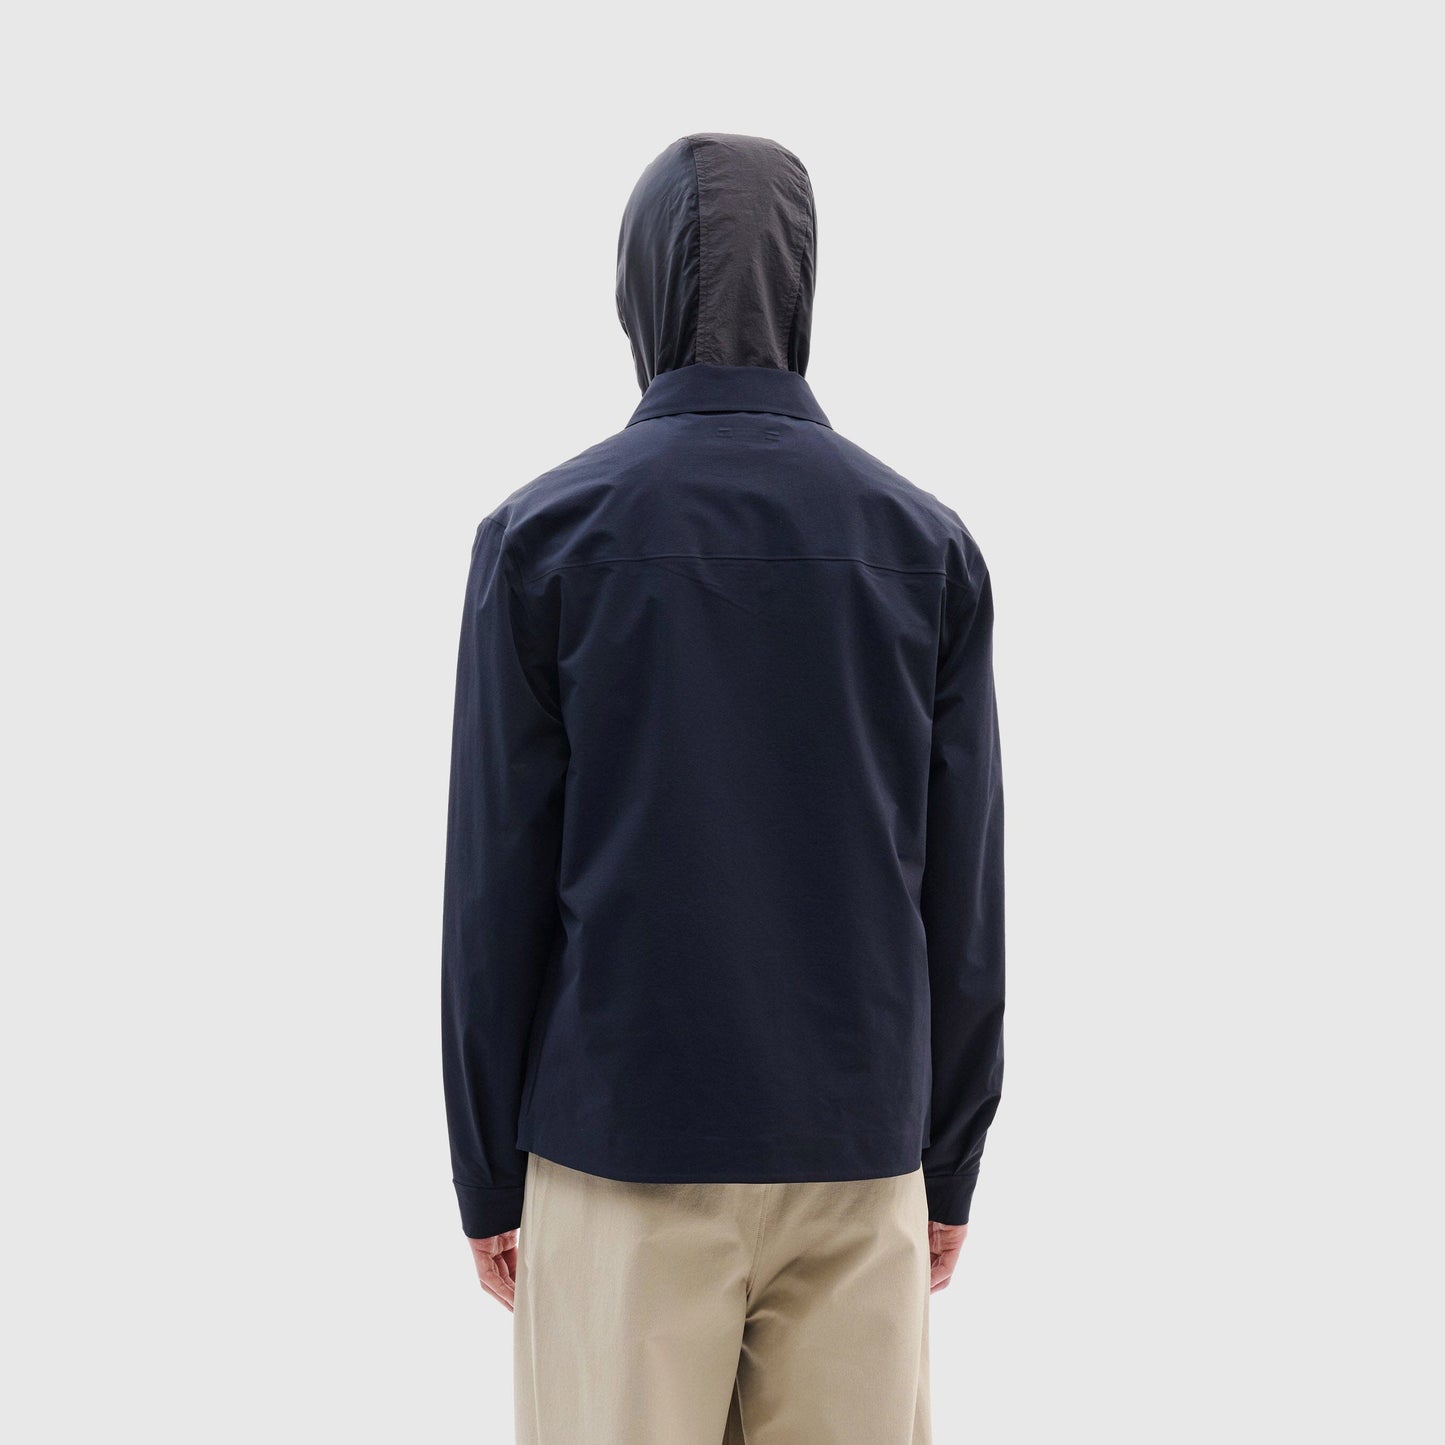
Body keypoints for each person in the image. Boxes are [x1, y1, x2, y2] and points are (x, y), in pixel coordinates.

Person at [441, 132, 1005, 1444]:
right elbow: (962, 885)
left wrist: (485, 1169)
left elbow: (494, 884)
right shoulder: (925, 545)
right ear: (804, 287)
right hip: (860, 1149)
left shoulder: (543, 538)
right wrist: (949, 1152)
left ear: (635, 289)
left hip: (619, 1153)